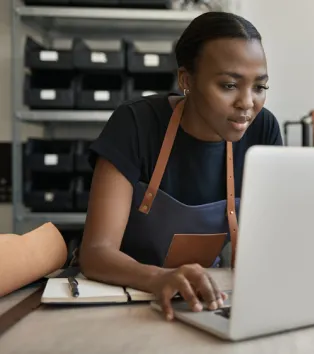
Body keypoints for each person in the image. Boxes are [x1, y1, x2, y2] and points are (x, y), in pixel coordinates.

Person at [78, 12, 282, 321]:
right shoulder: (135, 124)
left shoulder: (263, 130)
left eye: (259, 87)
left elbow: (273, 240)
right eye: (229, 85)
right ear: (186, 80)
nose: (247, 102)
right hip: (124, 296)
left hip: (203, 298)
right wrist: (158, 278)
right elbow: (96, 253)